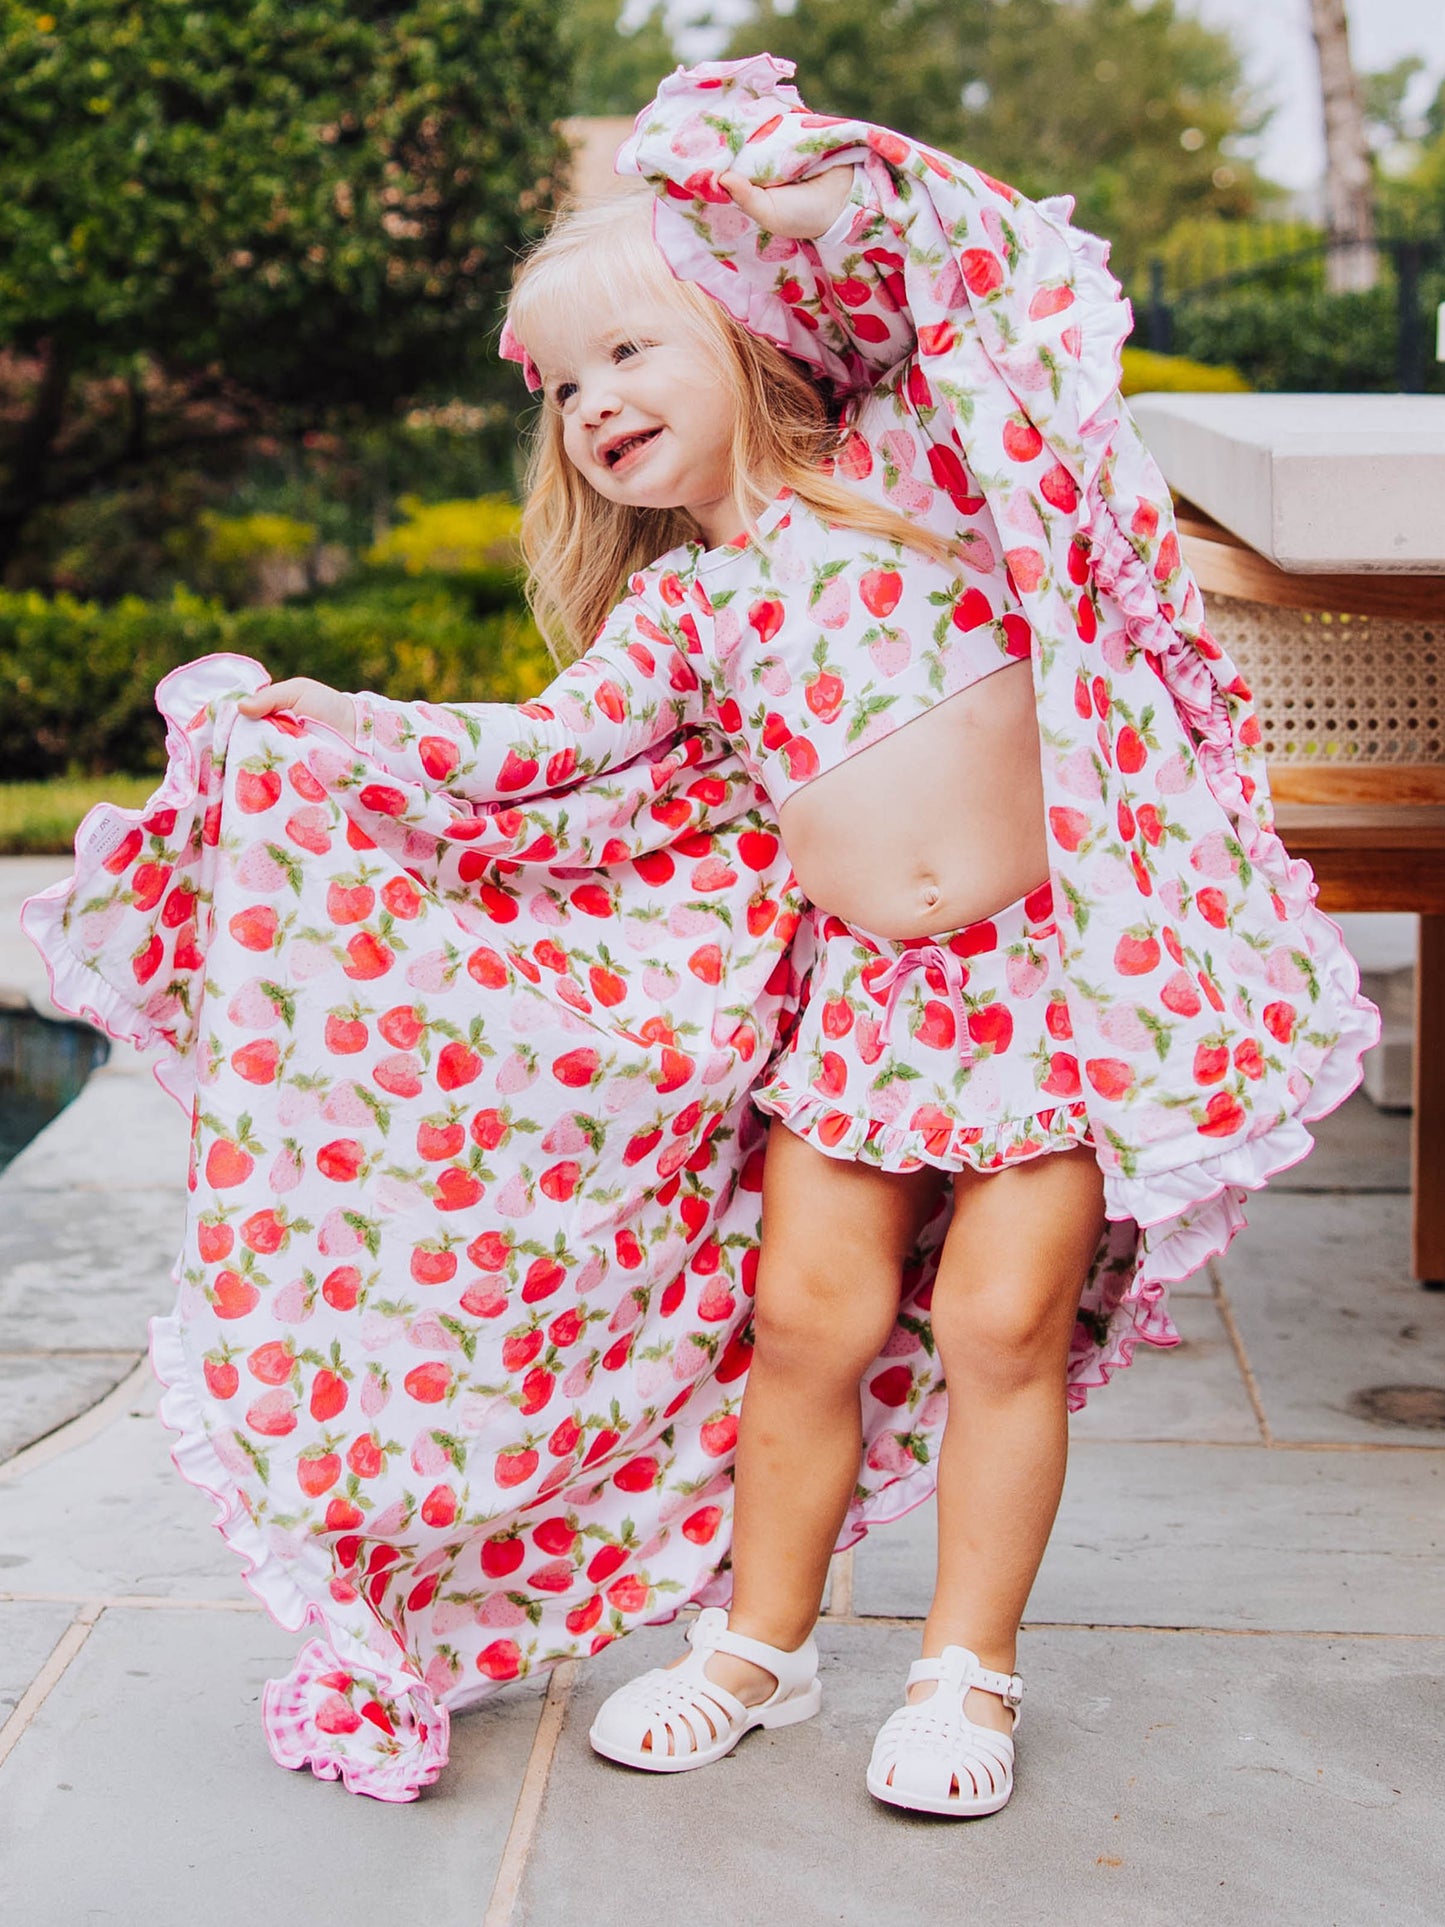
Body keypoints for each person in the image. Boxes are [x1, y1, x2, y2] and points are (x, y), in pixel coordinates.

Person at [23, 55, 1376, 1810]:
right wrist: (326, 724)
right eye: (564, 384)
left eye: (628, 350)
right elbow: (531, 752)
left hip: (1052, 996)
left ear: (749, 335)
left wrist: (794, 187)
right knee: (805, 1323)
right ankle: (763, 1643)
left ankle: (967, 1676)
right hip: (859, 1019)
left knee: (997, 1328)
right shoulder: (686, 607)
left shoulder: (913, 472)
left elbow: (953, 274)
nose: (591, 402)